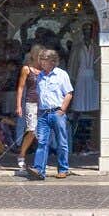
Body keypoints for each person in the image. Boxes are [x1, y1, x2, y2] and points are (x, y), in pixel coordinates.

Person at [27, 49, 74, 181]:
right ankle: (39, 170)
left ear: (52, 61)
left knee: (62, 142)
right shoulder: (40, 76)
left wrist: (62, 110)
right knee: (42, 142)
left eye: (44, 60)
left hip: (57, 112)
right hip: (43, 114)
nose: (41, 63)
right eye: (40, 60)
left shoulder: (61, 74)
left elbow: (69, 93)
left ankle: (63, 169)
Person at [11, 45, 43, 175]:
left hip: (43, 104)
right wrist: (18, 105)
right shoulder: (27, 69)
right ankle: (22, 154)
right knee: (32, 130)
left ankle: (39, 161)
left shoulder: (45, 69)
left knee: (42, 132)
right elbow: (20, 88)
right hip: (31, 103)